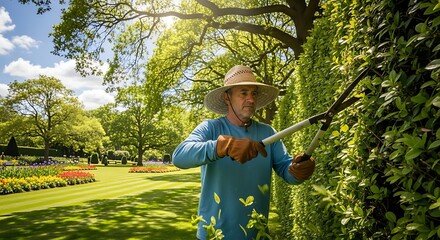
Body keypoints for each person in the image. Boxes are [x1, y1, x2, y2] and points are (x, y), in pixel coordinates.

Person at [172, 65, 316, 239]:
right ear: (227, 97)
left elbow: (287, 170)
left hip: (257, 233)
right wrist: (223, 146)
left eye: (254, 93)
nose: (250, 99)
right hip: (213, 233)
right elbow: (179, 156)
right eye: (243, 92)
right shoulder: (210, 128)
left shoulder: (268, 132)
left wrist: (299, 170)